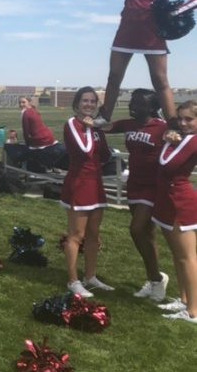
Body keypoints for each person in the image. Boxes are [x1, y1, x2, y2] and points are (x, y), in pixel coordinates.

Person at [99, 0, 197, 123]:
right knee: (114, 76)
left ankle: (172, 124)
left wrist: (176, 12)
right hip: (126, 32)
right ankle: (104, 117)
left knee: (160, 81)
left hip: (152, 35)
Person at [101, 89, 169, 301]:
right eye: (132, 101)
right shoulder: (128, 124)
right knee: (147, 234)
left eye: (138, 103)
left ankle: (156, 277)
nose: (132, 106)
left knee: (136, 229)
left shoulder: (163, 127)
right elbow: (103, 126)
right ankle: (155, 280)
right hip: (134, 185)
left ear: (151, 107)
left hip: (153, 186)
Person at [61, 86, 113, 297]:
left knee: (93, 235)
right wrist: (90, 127)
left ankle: (90, 276)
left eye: (93, 101)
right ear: (77, 104)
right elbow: (85, 150)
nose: (89, 105)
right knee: (76, 235)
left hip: (96, 184)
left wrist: (95, 128)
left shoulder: (95, 127)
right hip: (79, 184)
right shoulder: (73, 124)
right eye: (85, 101)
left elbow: (106, 154)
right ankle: (73, 281)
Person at [153, 100, 197, 323]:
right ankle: (184, 299)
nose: (183, 123)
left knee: (188, 257)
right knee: (178, 257)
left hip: (182, 203)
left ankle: (193, 311)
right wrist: (168, 137)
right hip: (166, 202)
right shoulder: (177, 137)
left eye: (189, 119)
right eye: (180, 118)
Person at [12, 96, 66, 172]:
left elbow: (26, 131)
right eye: (20, 102)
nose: (21, 104)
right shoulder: (34, 110)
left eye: (23, 102)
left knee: (28, 152)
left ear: (29, 102)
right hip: (49, 136)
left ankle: (35, 168)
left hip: (40, 139)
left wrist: (27, 144)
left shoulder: (25, 113)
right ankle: (53, 166)